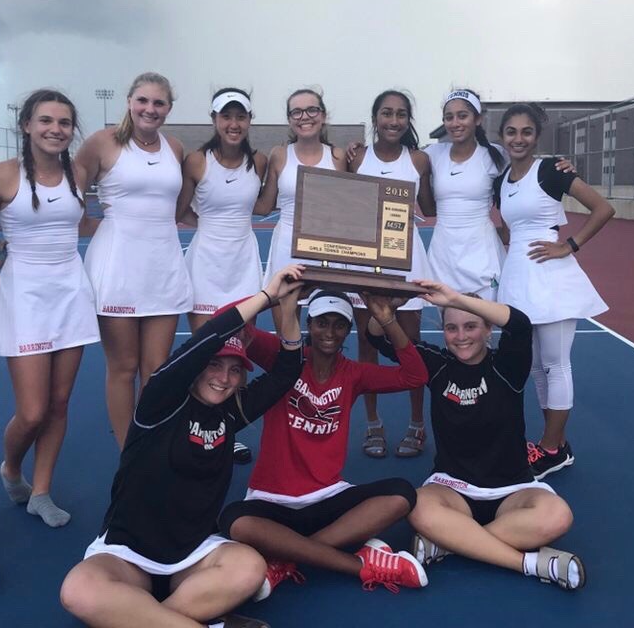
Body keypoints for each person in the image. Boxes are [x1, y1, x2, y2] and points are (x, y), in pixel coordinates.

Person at [59, 266, 306, 628]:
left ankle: (141, 619)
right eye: (214, 365)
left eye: (235, 371)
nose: (223, 378)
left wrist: (288, 309)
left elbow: (287, 371)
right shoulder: (159, 402)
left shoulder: (231, 412)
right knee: (78, 590)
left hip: (192, 554)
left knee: (249, 567)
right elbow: (205, 338)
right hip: (128, 555)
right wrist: (266, 297)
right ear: (195, 368)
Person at [367, 281, 586, 591]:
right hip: (451, 490)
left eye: (471, 326)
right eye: (452, 328)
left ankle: (449, 543)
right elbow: (376, 337)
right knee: (416, 505)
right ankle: (531, 563)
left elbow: (520, 324)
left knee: (558, 516)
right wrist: (394, 303)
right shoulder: (437, 365)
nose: (461, 336)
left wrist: (456, 299)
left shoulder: (507, 366)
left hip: (511, 489)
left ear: (488, 330)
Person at [218, 289, 430, 599]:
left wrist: (386, 319)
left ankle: (287, 559)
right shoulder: (283, 356)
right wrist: (274, 294)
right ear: (309, 324)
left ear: (348, 330)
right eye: (322, 323)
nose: (329, 332)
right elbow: (223, 320)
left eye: (339, 325)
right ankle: (355, 563)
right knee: (235, 521)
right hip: (271, 500)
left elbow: (416, 375)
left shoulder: (353, 373)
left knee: (401, 494)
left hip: (328, 497)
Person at [0, 89, 100, 526]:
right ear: (26, 125)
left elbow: (80, 222)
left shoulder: (79, 173)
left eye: (64, 123)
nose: (55, 129)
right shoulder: (0, 176)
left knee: (60, 401)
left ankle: (43, 490)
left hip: (71, 292)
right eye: (46, 120)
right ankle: (12, 468)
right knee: (31, 411)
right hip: (25, 297)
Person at [494, 103, 614, 478]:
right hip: (519, 276)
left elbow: (602, 208)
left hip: (552, 277)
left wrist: (569, 245)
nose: (518, 138)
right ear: (502, 137)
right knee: (536, 367)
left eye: (526, 132)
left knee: (556, 363)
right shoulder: (501, 179)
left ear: (536, 136)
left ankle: (550, 448)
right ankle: (555, 443)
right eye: (511, 132)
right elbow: (507, 227)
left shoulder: (551, 169)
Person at [76, 72, 192, 447]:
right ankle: (128, 453)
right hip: (118, 267)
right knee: (123, 368)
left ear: (169, 109)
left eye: (158, 103)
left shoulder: (175, 147)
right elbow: (65, 194)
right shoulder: (101, 143)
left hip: (163, 266)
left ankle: (149, 444)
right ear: (129, 101)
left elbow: (180, 207)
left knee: (156, 371)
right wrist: (101, 226)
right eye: (142, 100)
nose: (149, 109)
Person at [177, 88, 267, 464]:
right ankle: (194, 427)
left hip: (244, 265)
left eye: (241, 117)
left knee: (237, 357)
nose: (234, 124)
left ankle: (226, 431)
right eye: (226, 117)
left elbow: (265, 204)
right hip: (205, 265)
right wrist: (212, 229)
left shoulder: (259, 161)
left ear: (249, 120)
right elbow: (180, 210)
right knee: (205, 355)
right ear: (215, 120)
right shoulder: (197, 161)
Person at [347, 90, 434, 459]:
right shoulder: (356, 158)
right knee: (368, 345)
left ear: (408, 120)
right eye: (386, 113)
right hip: (365, 261)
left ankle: (417, 424)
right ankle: (373, 424)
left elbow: (428, 208)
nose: (393, 120)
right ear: (375, 118)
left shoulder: (418, 160)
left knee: (409, 346)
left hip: (407, 260)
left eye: (400, 114)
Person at [253, 88, 347, 333]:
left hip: (327, 249)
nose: (305, 116)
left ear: (323, 115)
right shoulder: (279, 155)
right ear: (289, 119)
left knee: (329, 328)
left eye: (312, 109)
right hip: (287, 247)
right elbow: (264, 205)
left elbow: (351, 205)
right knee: (286, 332)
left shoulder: (339, 157)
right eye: (297, 111)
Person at [424, 89, 508, 301]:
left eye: (463, 116)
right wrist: (358, 149)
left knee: (485, 320)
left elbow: (528, 168)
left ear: (477, 119)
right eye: (449, 117)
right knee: (450, 323)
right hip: (443, 253)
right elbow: (395, 158)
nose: (455, 123)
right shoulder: (432, 154)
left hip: (481, 253)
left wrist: (562, 166)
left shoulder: (496, 155)